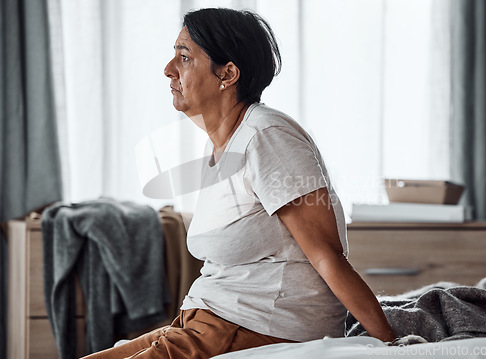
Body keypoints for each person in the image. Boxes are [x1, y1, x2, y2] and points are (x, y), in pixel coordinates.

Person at [83, 7, 395, 359]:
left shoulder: (267, 136)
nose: (168, 69)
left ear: (228, 74)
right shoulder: (223, 145)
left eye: (184, 57)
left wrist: (391, 343)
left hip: (252, 326)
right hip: (203, 321)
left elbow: (327, 255)